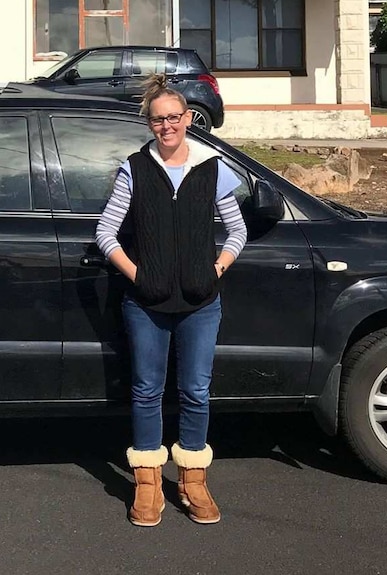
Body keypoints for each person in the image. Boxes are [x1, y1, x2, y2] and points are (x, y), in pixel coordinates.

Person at [95, 74, 248, 527]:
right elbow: (105, 232)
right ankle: (147, 485)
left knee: (196, 391)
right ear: (149, 123)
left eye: (174, 118)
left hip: (202, 302)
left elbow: (237, 231)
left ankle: (193, 481)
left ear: (188, 119)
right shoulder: (135, 169)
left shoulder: (212, 168)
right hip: (146, 303)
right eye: (158, 119)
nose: (167, 126)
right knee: (146, 392)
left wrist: (215, 269)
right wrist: (140, 275)